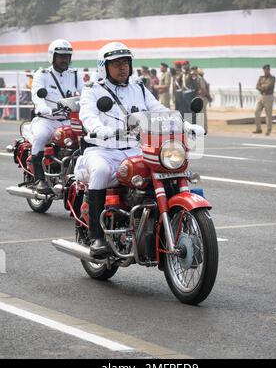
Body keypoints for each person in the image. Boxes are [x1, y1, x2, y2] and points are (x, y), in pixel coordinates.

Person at [75, 42, 204, 257]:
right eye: (116, 64)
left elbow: (159, 110)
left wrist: (186, 124)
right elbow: (87, 115)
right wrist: (100, 129)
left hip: (135, 149)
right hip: (103, 150)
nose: (123, 67)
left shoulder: (139, 87)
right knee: (100, 172)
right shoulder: (92, 91)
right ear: (103, 66)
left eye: (125, 62)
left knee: (164, 171)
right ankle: (96, 236)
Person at [31, 39, 83, 194]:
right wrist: (43, 109)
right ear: (52, 57)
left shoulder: (74, 75)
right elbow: (37, 95)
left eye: (67, 56)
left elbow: (85, 94)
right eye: (60, 56)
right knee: (40, 136)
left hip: (68, 120)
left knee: (87, 139)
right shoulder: (42, 75)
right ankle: (39, 179)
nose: (64, 59)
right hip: (48, 120)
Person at [253, 64, 276, 136]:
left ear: (269, 70)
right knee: (256, 111)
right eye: (265, 69)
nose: (266, 71)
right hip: (261, 96)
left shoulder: (272, 78)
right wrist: (262, 88)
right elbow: (257, 86)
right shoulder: (261, 77)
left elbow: (268, 87)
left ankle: (268, 130)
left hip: (268, 96)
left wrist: (261, 87)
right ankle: (258, 129)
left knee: (268, 114)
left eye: (267, 69)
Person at [197, 68, 212, 134]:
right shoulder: (201, 78)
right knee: (202, 114)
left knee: (201, 115)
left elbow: (203, 90)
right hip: (202, 98)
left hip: (202, 98)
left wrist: (209, 97)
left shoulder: (200, 78)